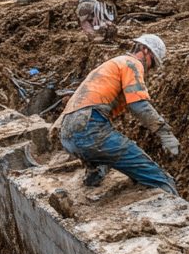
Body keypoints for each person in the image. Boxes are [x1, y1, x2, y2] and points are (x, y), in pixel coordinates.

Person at [56, 34, 179, 195]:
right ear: (144, 50)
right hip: (88, 130)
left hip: (67, 135)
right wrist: (165, 133)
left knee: (109, 150)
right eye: (152, 63)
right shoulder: (132, 63)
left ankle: (95, 172)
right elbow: (139, 105)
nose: (150, 68)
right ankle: (175, 204)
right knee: (158, 177)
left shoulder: (112, 65)